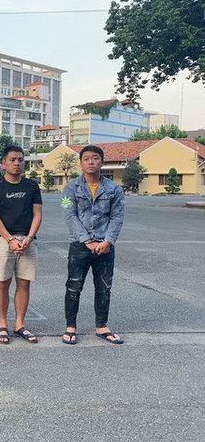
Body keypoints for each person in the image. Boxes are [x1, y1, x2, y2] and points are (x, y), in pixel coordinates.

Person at [61, 145, 125, 345]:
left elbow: (117, 217)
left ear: (102, 161)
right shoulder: (70, 188)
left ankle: (102, 327)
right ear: (81, 163)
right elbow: (69, 214)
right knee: (73, 286)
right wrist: (86, 240)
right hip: (79, 245)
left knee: (104, 287)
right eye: (86, 158)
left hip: (105, 246)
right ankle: (70, 327)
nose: (91, 162)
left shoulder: (114, 189)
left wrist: (108, 241)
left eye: (95, 158)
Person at [0, 145, 42, 345]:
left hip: (27, 240)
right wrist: (10, 239)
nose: (17, 163)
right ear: (3, 164)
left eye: (20, 159)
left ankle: (19, 324)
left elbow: (37, 214)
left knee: (24, 282)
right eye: (12, 160)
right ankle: (2, 324)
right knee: (3, 282)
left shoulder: (32, 186)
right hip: (2, 239)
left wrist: (30, 237)